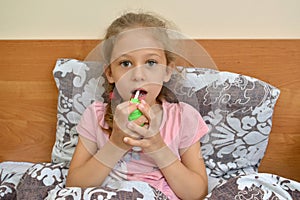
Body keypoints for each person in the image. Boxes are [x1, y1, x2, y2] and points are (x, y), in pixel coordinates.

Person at [66, 12, 209, 200]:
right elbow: (74, 186)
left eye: (151, 62)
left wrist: (157, 147)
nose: (138, 75)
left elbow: (197, 193)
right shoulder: (95, 116)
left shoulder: (183, 117)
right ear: (110, 74)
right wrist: (116, 143)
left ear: (167, 71)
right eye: (125, 63)